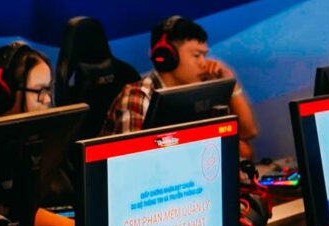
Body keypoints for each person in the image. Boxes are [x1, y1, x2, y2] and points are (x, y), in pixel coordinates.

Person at [111, 13, 260, 153]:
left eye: (204, 55)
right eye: (196, 55)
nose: (204, 63)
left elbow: (248, 133)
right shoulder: (137, 96)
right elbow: (134, 158)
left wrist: (230, 81)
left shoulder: (203, 88)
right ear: (167, 56)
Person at [0, 41, 76, 226]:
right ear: (8, 94)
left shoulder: (47, 137)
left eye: (49, 89)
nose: (47, 100)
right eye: (39, 91)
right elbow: (10, 213)